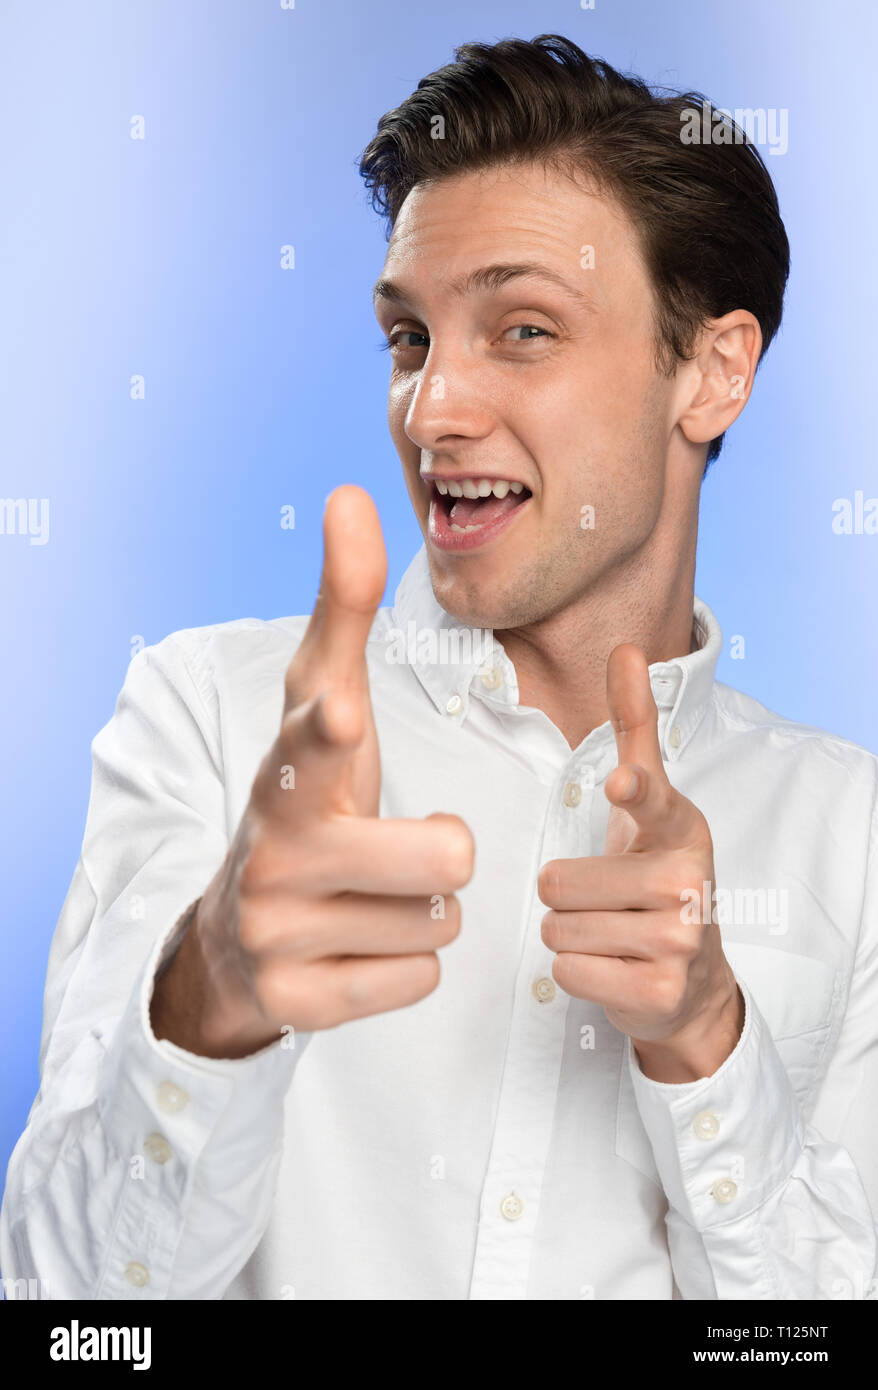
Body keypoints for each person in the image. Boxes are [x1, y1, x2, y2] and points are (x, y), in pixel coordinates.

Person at [2, 33, 876, 1301]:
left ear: (711, 370)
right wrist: (212, 1001)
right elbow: (63, 1316)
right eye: (410, 339)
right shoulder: (209, 721)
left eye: (521, 330)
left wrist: (706, 1048)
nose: (432, 409)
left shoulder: (847, 837)